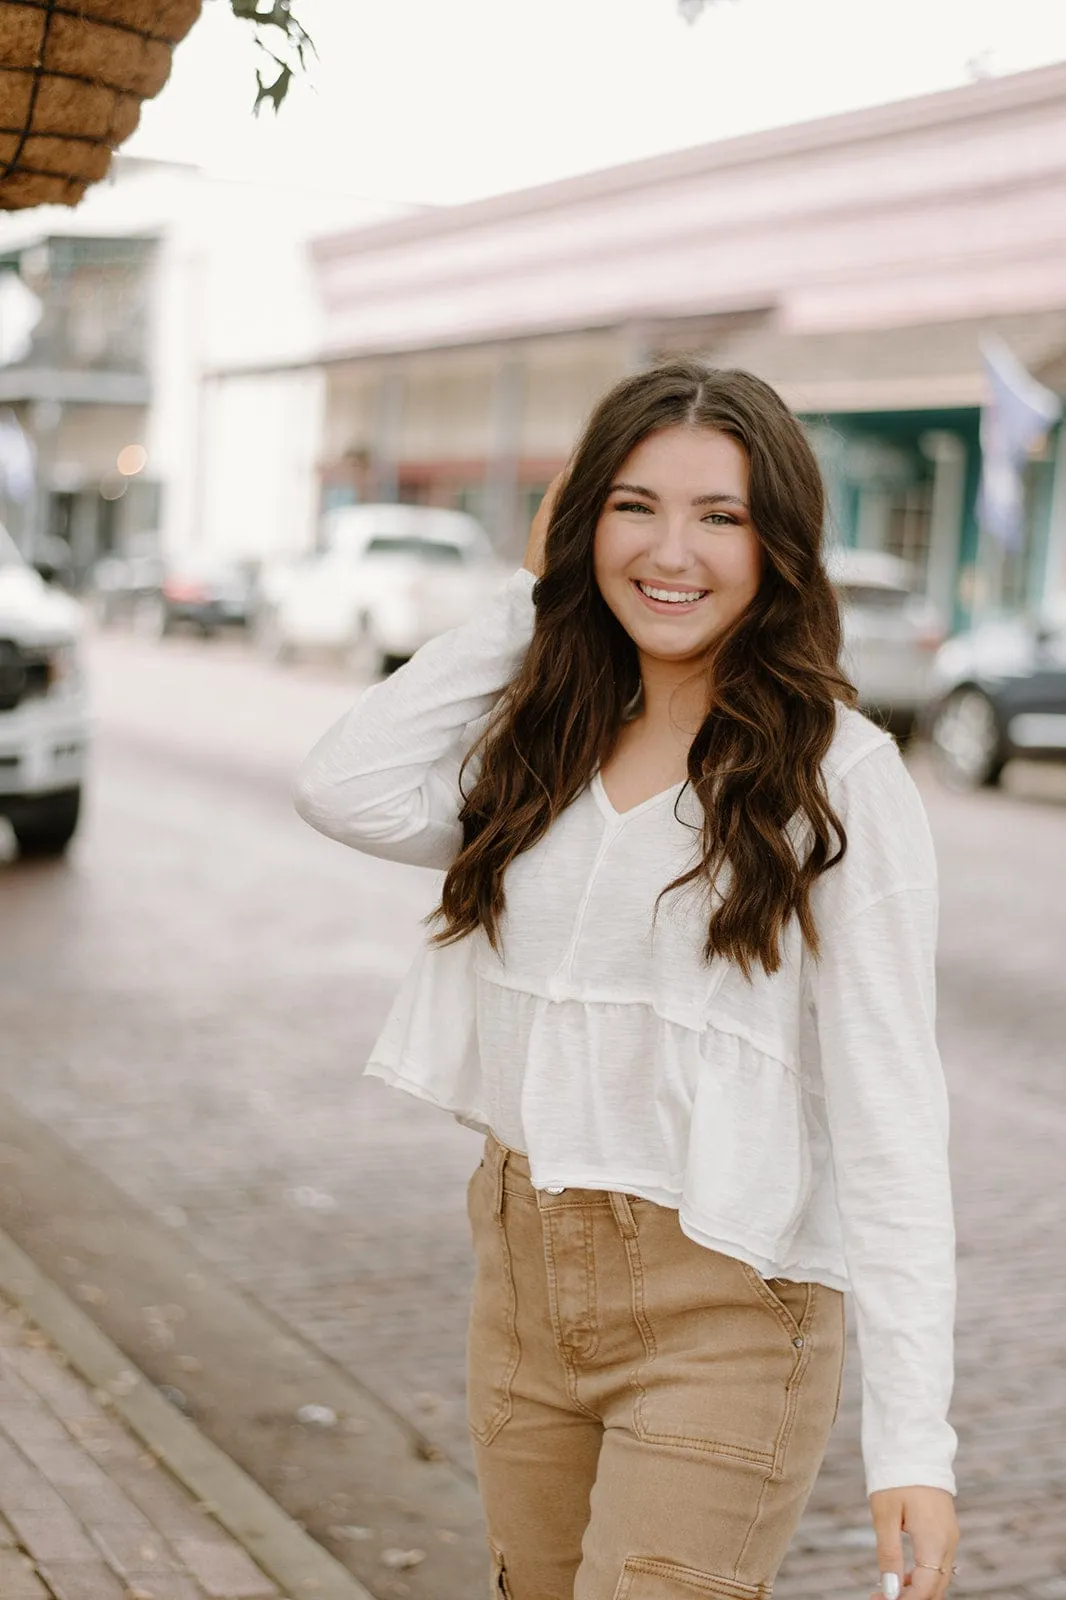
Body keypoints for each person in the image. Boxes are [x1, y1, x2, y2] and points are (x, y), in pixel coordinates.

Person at [294, 362, 959, 1600]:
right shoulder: (537, 742)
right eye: (633, 506)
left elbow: (892, 1119)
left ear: (781, 547)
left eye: (722, 515)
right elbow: (343, 785)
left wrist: (914, 1439)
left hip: (729, 1310)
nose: (674, 551)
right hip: (524, 1289)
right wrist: (527, 598)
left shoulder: (839, 783)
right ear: (584, 516)